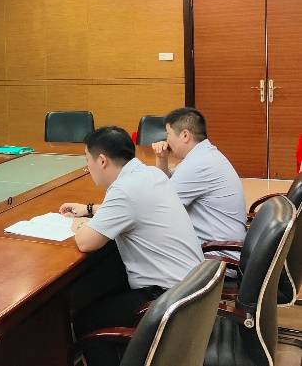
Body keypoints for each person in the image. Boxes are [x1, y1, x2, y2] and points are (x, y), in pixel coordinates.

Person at [60, 126, 203, 366]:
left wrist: (80, 224)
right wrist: (89, 209)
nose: (88, 168)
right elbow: (133, 207)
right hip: (192, 288)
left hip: (167, 299)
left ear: (102, 160)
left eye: (88, 161)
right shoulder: (151, 174)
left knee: (86, 320)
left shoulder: (123, 190)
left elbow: (85, 242)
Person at [151, 107, 247, 259]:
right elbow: (166, 186)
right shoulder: (203, 155)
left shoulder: (198, 165)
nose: (166, 141)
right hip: (220, 245)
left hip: (217, 255)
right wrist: (162, 158)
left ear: (185, 135)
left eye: (168, 134)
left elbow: (159, 206)